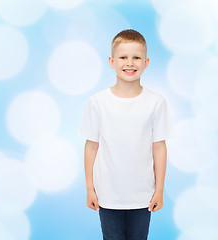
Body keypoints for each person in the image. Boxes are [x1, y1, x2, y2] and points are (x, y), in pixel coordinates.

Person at [77, 29, 174, 240]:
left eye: (136, 57)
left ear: (146, 62)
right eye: (123, 57)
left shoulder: (156, 103)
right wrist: (89, 188)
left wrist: (159, 190)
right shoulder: (98, 103)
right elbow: (91, 146)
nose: (130, 63)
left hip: (142, 195)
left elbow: (159, 147)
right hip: (107, 194)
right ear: (112, 61)